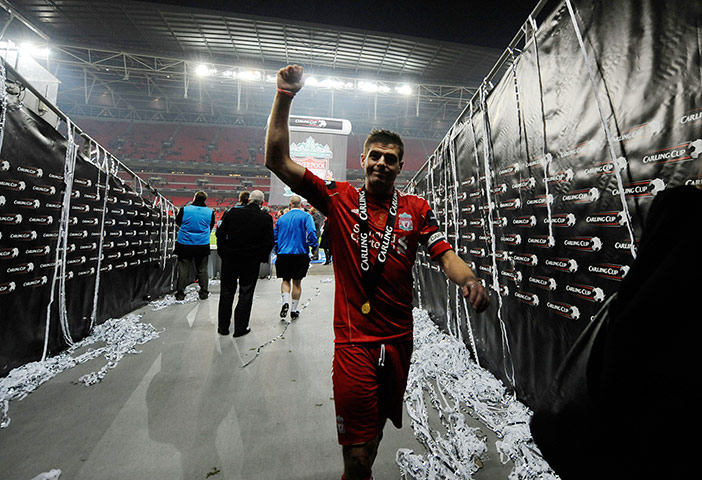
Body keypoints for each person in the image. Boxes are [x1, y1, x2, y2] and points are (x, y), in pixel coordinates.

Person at [265, 64, 490, 480]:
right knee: (356, 456)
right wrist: (284, 94)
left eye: (391, 159)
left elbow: (445, 255)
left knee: (376, 432)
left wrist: (469, 280)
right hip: (354, 344)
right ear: (363, 160)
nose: (382, 164)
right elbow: (277, 160)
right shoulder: (338, 197)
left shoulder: (416, 210)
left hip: (399, 342)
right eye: (375, 156)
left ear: (400, 166)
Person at [216, 190, 274, 337]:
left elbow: (220, 234)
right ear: (262, 203)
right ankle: (240, 328)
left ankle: (223, 328)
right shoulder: (265, 218)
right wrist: (260, 258)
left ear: (249, 200)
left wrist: (223, 252)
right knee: (246, 293)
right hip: (250, 260)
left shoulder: (233, 213)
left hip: (230, 258)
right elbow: (269, 242)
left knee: (226, 292)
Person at [274, 195, 318, 320]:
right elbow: (311, 232)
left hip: (283, 253)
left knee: (285, 280)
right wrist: (313, 247)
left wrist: (278, 250)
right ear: (301, 205)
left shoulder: (281, 219)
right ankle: (293, 310)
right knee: (297, 283)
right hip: (300, 253)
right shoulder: (306, 216)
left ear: (289, 204)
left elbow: (275, 236)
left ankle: (285, 302)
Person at [174, 190, 215, 301]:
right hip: (202, 244)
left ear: (194, 198)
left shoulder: (184, 210)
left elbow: (178, 222)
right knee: (202, 270)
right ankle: (203, 293)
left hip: (184, 243)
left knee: (183, 269)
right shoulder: (210, 212)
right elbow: (210, 226)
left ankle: (180, 293)